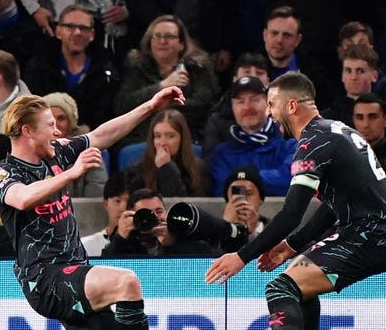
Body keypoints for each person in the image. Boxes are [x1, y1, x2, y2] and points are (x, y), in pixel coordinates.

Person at [205, 72, 386, 330]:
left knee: (280, 288)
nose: (270, 113)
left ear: (292, 104)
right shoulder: (337, 131)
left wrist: (240, 256)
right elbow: (330, 209)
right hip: (375, 230)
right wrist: (289, 247)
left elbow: (290, 213)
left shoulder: (314, 142)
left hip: (371, 233)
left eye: (272, 104)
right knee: (298, 285)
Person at [0, 88, 190, 330]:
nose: (57, 131)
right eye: (49, 125)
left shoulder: (58, 150)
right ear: (28, 131)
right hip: (45, 278)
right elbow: (24, 198)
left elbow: (104, 133)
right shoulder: (6, 173)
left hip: (75, 274)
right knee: (126, 282)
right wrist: (73, 173)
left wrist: (150, 106)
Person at [114, 14, 218, 146]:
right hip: (142, 139)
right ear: (149, 42)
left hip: (188, 138)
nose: (162, 41)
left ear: (181, 44)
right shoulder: (137, 68)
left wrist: (156, 107)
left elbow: (203, 106)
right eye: (157, 36)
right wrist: (162, 85)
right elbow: (122, 105)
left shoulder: (198, 68)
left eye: (169, 36)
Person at [23, 5, 119, 132]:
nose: (77, 32)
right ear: (58, 31)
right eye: (70, 26)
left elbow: (105, 118)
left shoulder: (107, 72)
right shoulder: (37, 67)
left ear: (92, 34)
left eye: (83, 28)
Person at [209, 76, 297, 197]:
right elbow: (224, 191)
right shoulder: (222, 153)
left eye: (254, 99)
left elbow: (290, 183)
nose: (247, 107)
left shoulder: (290, 145)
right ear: (232, 108)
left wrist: (243, 181)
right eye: (240, 101)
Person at [102, 188, 223, 257]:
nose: (155, 217)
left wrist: (173, 243)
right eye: (146, 213)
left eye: (159, 211)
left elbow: (211, 258)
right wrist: (121, 237)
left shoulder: (183, 233)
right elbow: (104, 270)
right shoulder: (125, 243)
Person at [121, 108, 209, 197]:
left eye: (170, 136)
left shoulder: (198, 170)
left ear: (182, 139)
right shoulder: (137, 170)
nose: (162, 143)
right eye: (157, 136)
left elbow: (183, 207)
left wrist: (166, 168)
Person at [201, 52, 270, 159]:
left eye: (259, 73)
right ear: (234, 79)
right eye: (247, 72)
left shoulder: (281, 117)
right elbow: (211, 161)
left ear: (268, 82)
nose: (253, 77)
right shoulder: (218, 118)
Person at [261, 5, 332, 108]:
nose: (279, 40)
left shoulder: (315, 76)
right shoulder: (248, 69)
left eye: (287, 35)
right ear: (265, 35)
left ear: (297, 40)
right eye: (274, 33)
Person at [43, 92, 107, 198]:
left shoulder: (88, 151)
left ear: (71, 124)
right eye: (49, 118)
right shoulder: (30, 151)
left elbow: (95, 201)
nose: (55, 124)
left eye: (61, 118)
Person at [81, 171, 129, 257]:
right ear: (106, 203)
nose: (123, 208)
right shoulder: (85, 246)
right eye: (117, 201)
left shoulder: (148, 245)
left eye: (129, 202)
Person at [221, 165, 269, 240]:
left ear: (260, 198)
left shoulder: (278, 230)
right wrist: (225, 228)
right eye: (235, 193)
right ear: (227, 198)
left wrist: (251, 234)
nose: (243, 201)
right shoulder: (213, 232)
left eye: (249, 193)